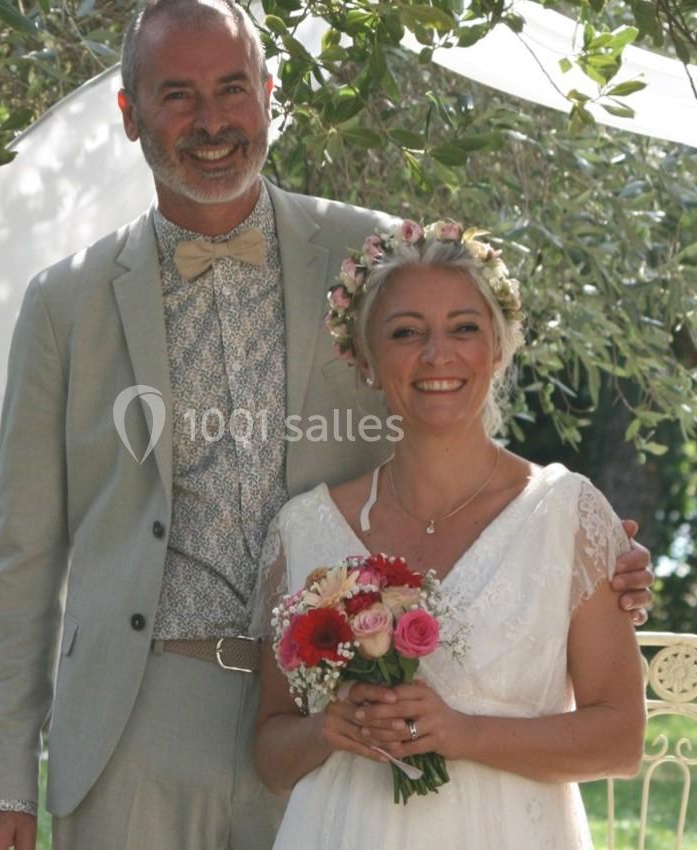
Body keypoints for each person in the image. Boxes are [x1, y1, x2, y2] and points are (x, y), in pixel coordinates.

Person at [0, 2, 654, 849]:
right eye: (177, 95)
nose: (212, 120)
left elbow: (457, 425)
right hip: (132, 728)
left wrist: (583, 555)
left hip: (342, 723)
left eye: (231, 88)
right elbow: (22, 558)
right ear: (129, 113)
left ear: (269, 91)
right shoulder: (63, 304)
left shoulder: (374, 259)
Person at [251, 222, 647, 847]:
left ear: (497, 348)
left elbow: (621, 741)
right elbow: (271, 758)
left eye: (463, 328)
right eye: (406, 333)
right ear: (366, 360)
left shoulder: (567, 515)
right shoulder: (303, 530)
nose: (438, 355)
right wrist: (329, 727)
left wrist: (462, 733)